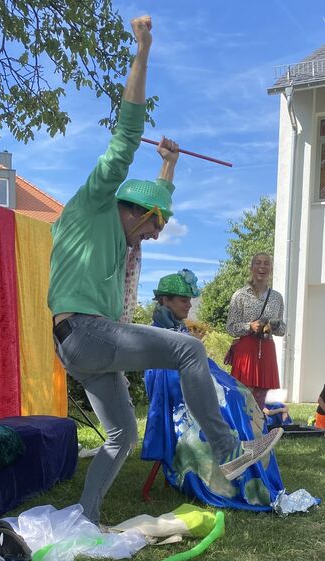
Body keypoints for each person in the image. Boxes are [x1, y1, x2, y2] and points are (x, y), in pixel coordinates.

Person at [47, 15, 283, 526]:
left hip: (78, 345)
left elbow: (155, 201)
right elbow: (127, 132)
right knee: (188, 347)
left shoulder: (118, 233)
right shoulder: (94, 203)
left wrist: (169, 168)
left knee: (121, 436)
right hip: (86, 333)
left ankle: (84, 518)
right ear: (133, 210)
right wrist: (143, 48)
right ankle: (228, 449)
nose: (151, 238)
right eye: (152, 228)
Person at [142, 270, 285, 511]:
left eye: (190, 299)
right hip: (175, 390)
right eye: (183, 299)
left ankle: (243, 462)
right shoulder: (156, 330)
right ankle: (232, 476)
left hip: (191, 383)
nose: (189, 305)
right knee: (226, 399)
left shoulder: (177, 326)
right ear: (164, 300)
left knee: (238, 394)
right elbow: (161, 373)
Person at [226, 252, 286, 411]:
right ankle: (242, 430)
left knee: (260, 396)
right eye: (258, 263)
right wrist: (249, 326)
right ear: (251, 268)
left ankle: (259, 429)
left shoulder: (277, 298)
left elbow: (282, 330)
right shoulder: (240, 295)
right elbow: (231, 327)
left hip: (267, 347)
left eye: (266, 263)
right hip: (246, 349)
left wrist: (275, 326)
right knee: (243, 393)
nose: (262, 266)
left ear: (271, 269)